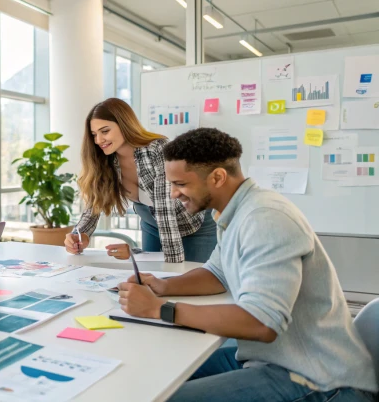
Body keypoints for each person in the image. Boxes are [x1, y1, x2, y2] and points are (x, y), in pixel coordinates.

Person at [118, 128, 377, 402]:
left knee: (164, 398)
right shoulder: (236, 211)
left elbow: (261, 322)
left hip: (318, 378)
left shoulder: (265, 219)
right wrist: (163, 286)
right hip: (273, 358)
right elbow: (217, 275)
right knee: (161, 373)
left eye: (180, 184)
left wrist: (161, 309)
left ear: (217, 177)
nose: (172, 194)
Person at [65, 98, 217, 263]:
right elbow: (94, 203)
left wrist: (139, 255)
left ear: (124, 125)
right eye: (94, 134)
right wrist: (79, 235)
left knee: (190, 281)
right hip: (153, 226)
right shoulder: (105, 161)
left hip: (194, 225)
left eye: (105, 131)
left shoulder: (157, 150)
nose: (98, 140)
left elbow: (165, 210)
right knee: (152, 279)